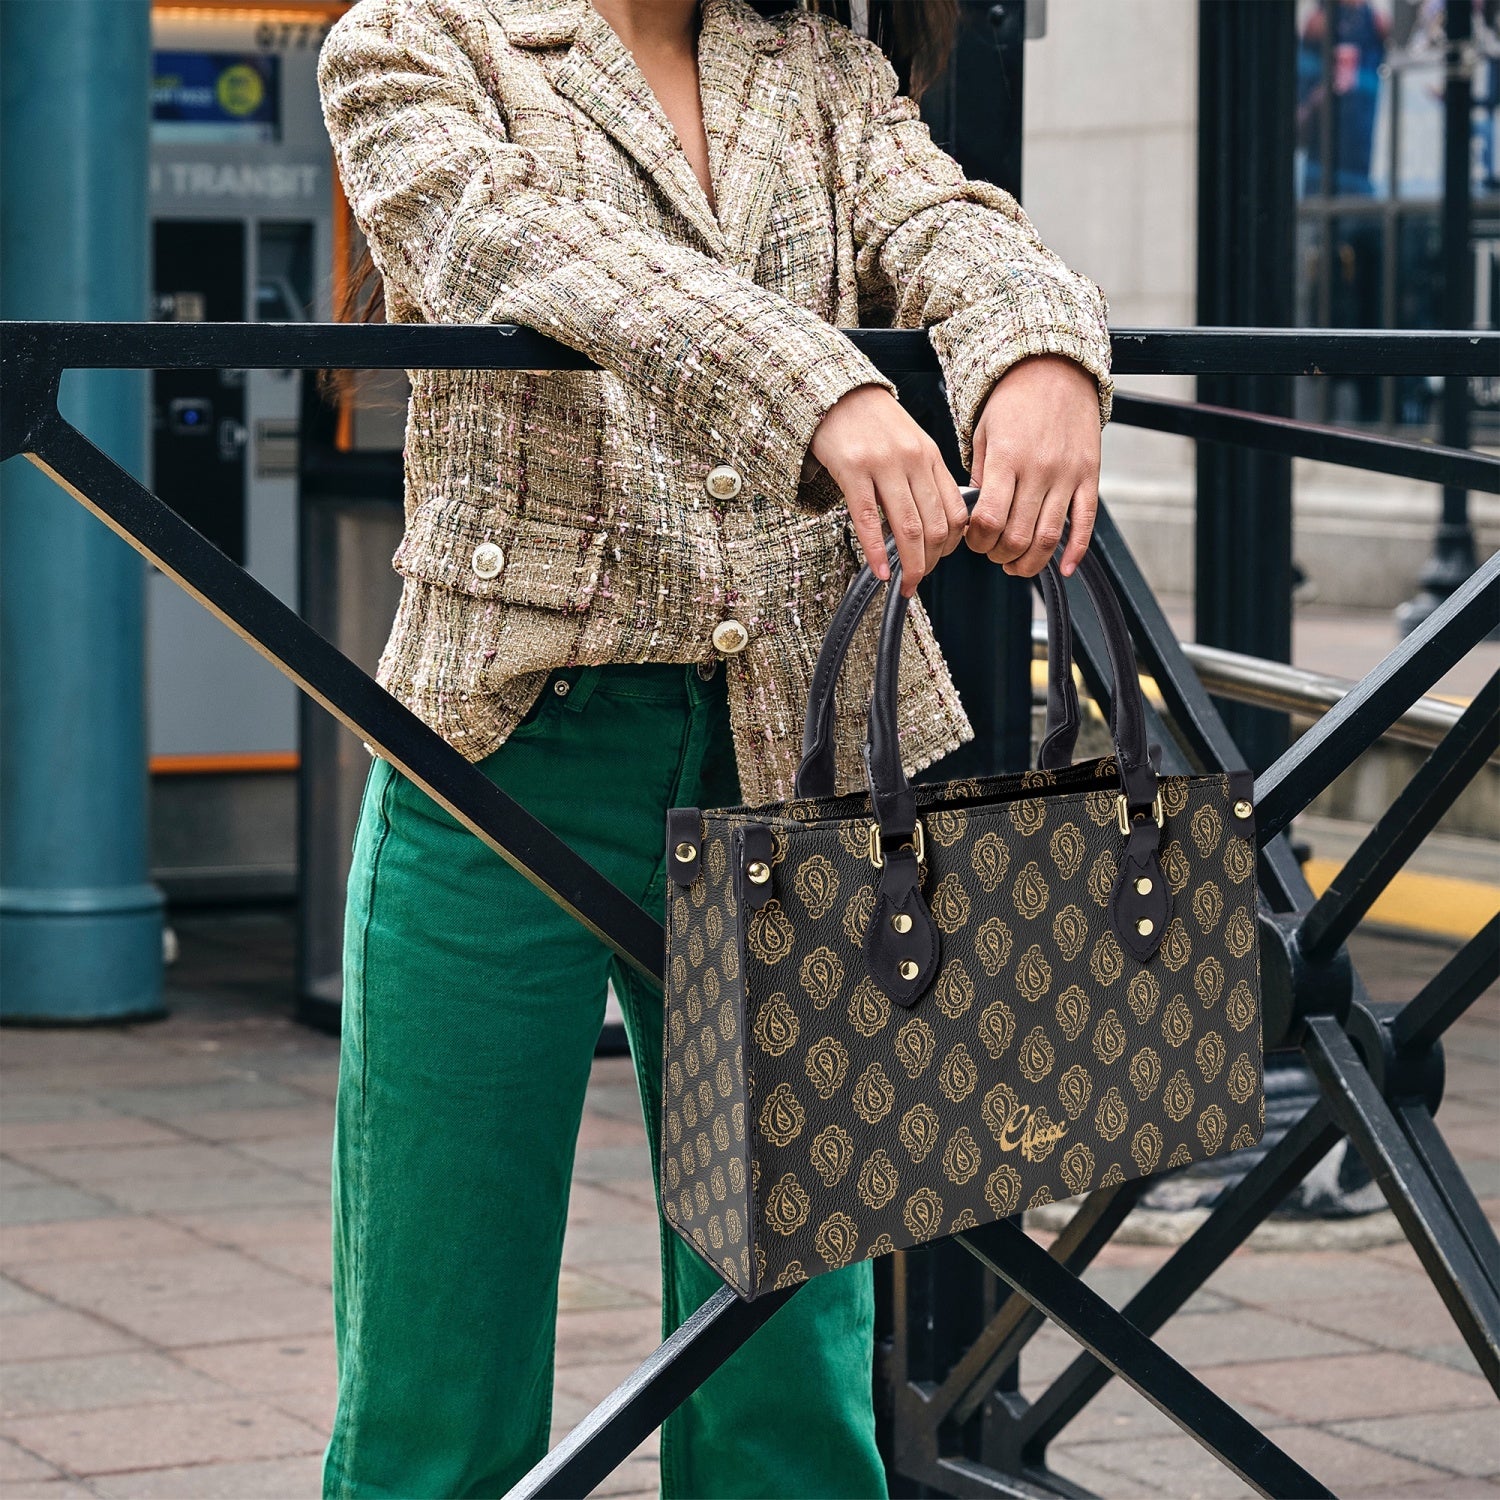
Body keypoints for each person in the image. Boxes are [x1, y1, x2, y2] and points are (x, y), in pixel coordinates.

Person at [314, 0, 1112, 1494]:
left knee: (790, 1381)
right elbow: (522, 244)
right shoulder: (413, 39)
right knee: (439, 1358)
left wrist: (1040, 352)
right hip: (506, 755)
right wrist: (831, 388)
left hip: (792, 750)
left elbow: (945, 222)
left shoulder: (813, 62)